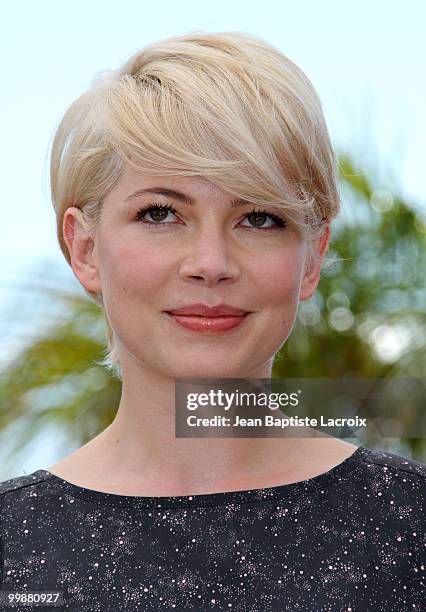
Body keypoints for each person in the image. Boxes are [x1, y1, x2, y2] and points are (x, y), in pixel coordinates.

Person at [0, 31, 424, 611]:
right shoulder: (12, 546)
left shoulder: (409, 526)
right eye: (161, 213)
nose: (211, 264)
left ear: (312, 257)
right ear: (85, 248)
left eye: (258, 218)